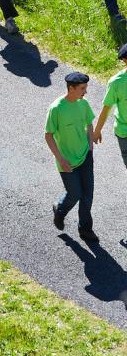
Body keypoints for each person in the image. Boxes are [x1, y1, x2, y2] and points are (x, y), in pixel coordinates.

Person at [45, 71, 98, 242]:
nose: (86, 91)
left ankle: (85, 229)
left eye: (86, 87)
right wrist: (60, 159)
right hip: (67, 162)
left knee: (87, 196)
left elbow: (89, 123)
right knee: (74, 194)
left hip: (85, 156)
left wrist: (90, 147)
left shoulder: (83, 104)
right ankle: (60, 210)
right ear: (71, 88)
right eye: (82, 88)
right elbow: (49, 136)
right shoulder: (56, 108)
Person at [93, 43, 127, 167]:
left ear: (123, 60)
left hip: (123, 132)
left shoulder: (116, 82)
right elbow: (106, 109)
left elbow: (106, 109)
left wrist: (97, 132)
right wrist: (96, 131)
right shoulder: (115, 82)